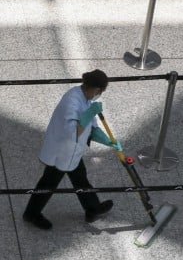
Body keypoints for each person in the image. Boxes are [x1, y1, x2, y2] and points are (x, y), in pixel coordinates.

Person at [22, 69, 118, 230]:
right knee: (48, 183)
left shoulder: (86, 99)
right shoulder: (72, 101)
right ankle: (31, 214)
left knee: (80, 178)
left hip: (73, 152)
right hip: (60, 152)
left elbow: (92, 127)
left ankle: (92, 209)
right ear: (95, 89)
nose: (99, 94)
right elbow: (72, 131)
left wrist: (108, 141)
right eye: (99, 91)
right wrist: (89, 114)